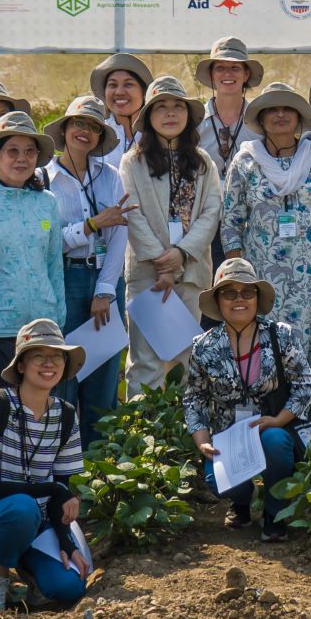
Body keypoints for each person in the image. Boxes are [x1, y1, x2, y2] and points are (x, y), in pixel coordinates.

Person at [0, 320, 93, 609]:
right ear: (21, 365)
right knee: (21, 507)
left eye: (56, 356)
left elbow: (61, 492)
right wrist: (53, 489)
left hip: (35, 526)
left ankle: (29, 573)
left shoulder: (66, 416)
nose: (48, 363)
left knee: (69, 587)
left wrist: (65, 541)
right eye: (38, 355)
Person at [221, 81, 311, 384]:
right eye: (272, 110)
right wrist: (238, 280)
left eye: (287, 109)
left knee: (306, 355)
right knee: (260, 353)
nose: (280, 115)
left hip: (309, 281)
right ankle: (263, 420)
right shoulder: (246, 161)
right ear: (262, 119)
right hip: (260, 281)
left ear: (298, 117)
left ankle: (306, 421)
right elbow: (230, 223)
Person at [183, 259, 311, 542]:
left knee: (276, 444)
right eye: (229, 293)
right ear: (218, 300)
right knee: (214, 480)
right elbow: (194, 398)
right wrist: (202, 440)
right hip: (229, 437)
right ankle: (242, 502)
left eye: (247, 292)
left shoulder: (280, 335)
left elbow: (305, 383)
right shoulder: (203, 347)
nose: (239, 299)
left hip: (272, 428)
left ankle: (274, 512)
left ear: (257, 297)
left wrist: (280, 419)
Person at [118, 76, 223, 391]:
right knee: (145, 360)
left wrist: (181, 254)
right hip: (147, 275)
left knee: (186, 357)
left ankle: (182, 432)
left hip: (191, 273)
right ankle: (142, 431)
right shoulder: (131, 162)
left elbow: (211, 212)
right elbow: (132, 214)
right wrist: (161, 262)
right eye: (160, 107)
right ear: (148, 117)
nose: (170, 113)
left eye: (178, 106)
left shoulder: (204, 163)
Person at [0, 111, 66, 393]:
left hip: (42, 326)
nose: (22, 158)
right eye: (13, 151)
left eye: (30, 151)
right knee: (6, 407)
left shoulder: (47, 203)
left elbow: (54, 265)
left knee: (41, 407)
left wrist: (59, 321)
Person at [44, 95, 130, 430]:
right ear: (65, 129)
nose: (86, 132)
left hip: (104, 279)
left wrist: (106, 290)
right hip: (64, 280)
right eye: (79, 123)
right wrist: (92, 225)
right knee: (62, 370)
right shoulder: (44, 180)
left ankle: (99, 463)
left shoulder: (110, 176)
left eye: (94, 127)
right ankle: (61, 459)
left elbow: (119, 233)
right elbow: (51, 243)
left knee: (104, 374)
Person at [194, 36, 264, 178]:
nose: (227, 73)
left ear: (246, 74)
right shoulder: (195, 121)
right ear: (212, 74)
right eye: (220, 68)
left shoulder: (260, 121)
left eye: (235, 67)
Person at [88, 52, 155, 170]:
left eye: (128, 84)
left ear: (144, 92)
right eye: (112, 85)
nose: (119, 92)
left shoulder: (158, 131)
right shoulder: (96, 133)